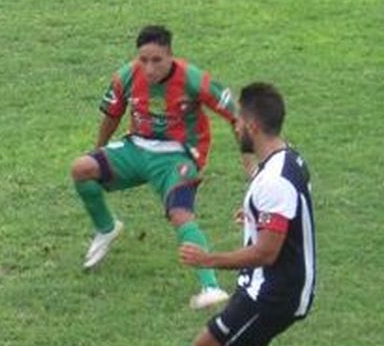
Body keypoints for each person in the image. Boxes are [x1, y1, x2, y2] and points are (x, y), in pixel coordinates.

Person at [113, 82, 316, 346]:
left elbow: (268, 252)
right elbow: (288, 215)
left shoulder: (274, 181)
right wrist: (255, 216)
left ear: (252, 126)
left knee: (208, 345)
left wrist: (209, 260)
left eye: (238, 120)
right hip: (269, 285)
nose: (234, 126)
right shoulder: (289, 159)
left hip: (275, 292)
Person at [71, 25, 250, 311]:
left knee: (180, 215)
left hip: (177, 156)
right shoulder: (126, 76)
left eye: (157, 60)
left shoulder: (193, 79)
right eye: (143, 60)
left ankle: (211, 287)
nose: (149, 68)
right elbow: (111, 115)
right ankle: (106, 228)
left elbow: (236, 113)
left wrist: (248, 156)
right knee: (81, 169)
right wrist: (98, 150)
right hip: (136, 148)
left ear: (170, 57)